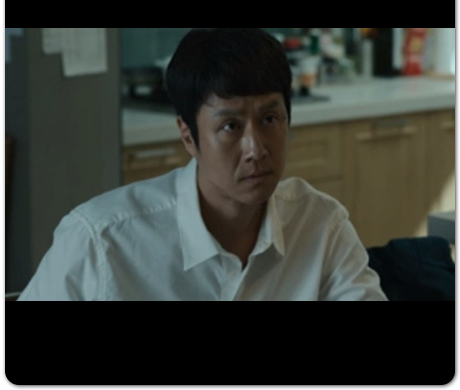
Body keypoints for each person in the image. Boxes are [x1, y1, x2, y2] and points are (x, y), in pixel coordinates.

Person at [18, 28, 387, 301]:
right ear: (188, 136)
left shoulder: (321, 225)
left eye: (270, 119)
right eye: (230, 126)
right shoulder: (101, 241)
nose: (255, 149)